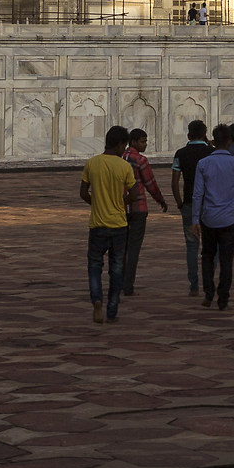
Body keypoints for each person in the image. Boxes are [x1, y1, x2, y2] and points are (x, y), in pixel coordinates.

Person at [81, 126, 136, 325]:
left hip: (97, 224)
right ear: (120, 144)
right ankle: (112, 308)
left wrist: (96, 203)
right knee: (117, 268)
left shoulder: (92, 163)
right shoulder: (124, 166)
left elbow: (83, 192)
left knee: (95, 266)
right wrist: (120, 203)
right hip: (119, 224)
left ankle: (97, 300)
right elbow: (135, 194)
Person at [193, 124, 234, 310]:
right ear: (229, 141)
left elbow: (197, 194)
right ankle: (223, 296)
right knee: (226, 259)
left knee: (208, 256)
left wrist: (195, 219)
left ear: (214, 140)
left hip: (209, 217)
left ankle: (209, 292)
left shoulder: (203, 163)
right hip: (228, 218)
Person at [119, 126, 168, 297]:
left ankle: (119, 281)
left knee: (121, 247)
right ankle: (128, 285)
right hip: (138, 207)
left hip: (121, 208)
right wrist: (160, 200)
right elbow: (150, 183)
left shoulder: (119, 158)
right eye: (142, 141)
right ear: (133, 141)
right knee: (133, 248)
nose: (145, 145)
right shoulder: (140, 160)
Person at [172, 120, 212, 297]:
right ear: (205, 134)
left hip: (189, 203)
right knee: (211, 244)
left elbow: (175, 182)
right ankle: (209, 280)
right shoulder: (211, 153)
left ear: (188, 135)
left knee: (191, 245)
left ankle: (194, 285)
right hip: (209, 204)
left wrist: (179, 202)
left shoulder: (181, 153)